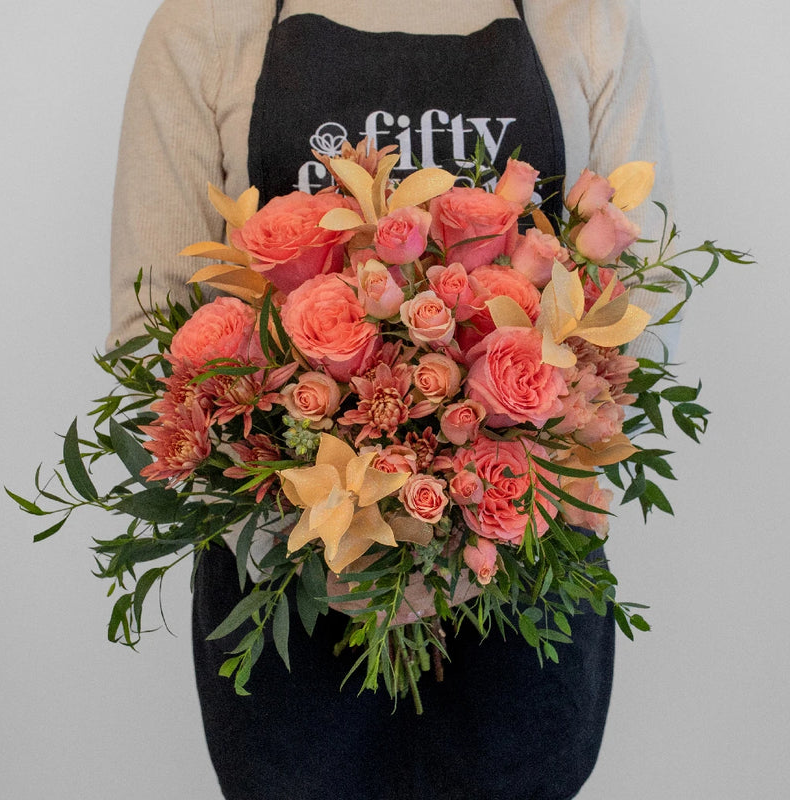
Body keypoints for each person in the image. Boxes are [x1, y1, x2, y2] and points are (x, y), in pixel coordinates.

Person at [109, 2, 676, 798]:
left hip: (521, 577)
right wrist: (320, 538)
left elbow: (642, 323)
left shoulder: (582, 20)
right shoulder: (205, 25)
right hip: (288, 599)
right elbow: (152, 344)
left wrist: (473, 524)